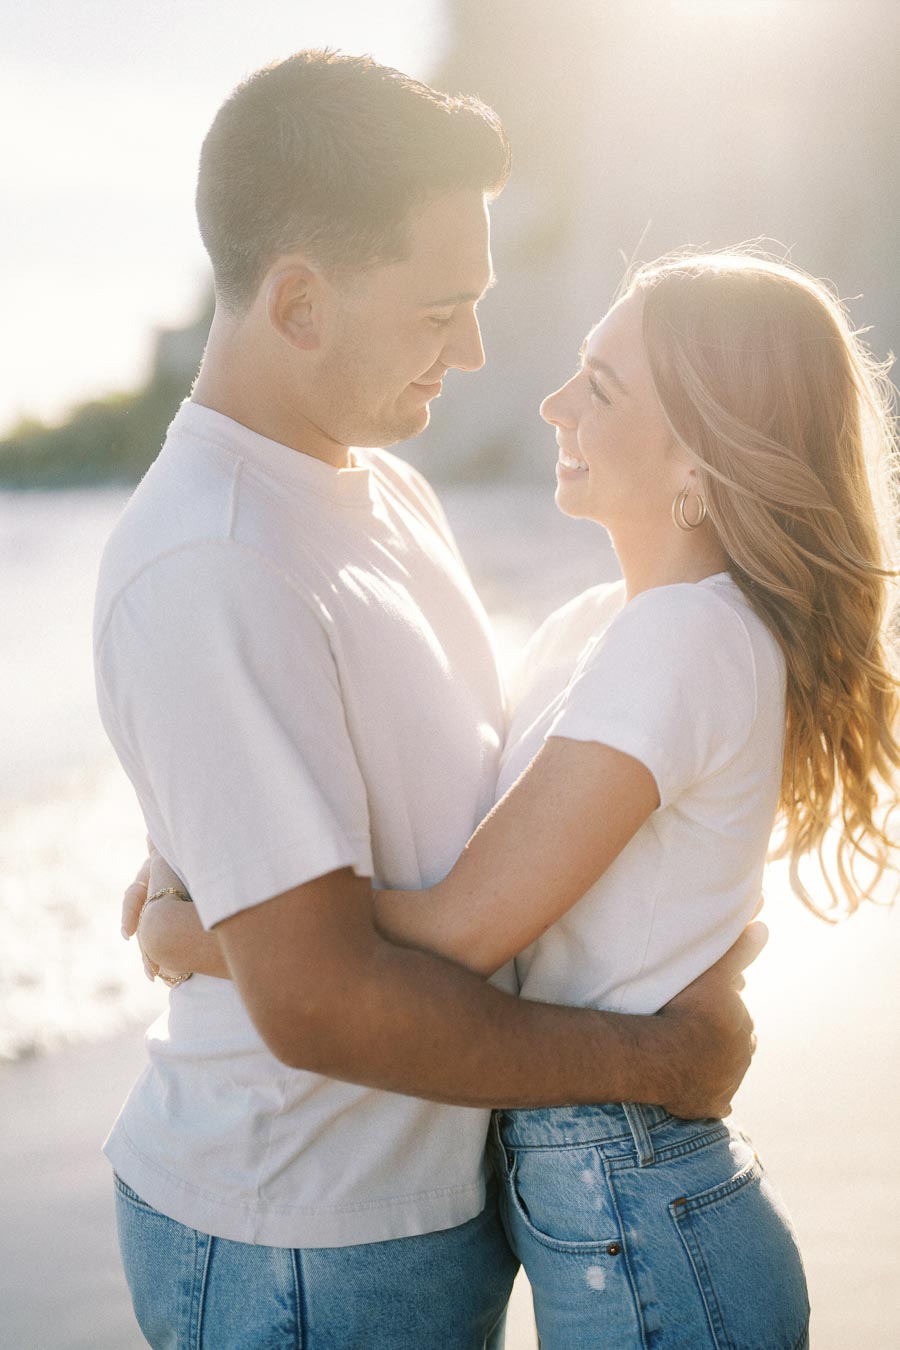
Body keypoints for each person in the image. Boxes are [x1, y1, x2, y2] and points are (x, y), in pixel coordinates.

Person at [96, 52, 760, 1350]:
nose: (474, 350)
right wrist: (657, 1063)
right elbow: (320, 1002)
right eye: (440, 309)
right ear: (297, 305)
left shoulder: (374, 485)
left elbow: (442, 785)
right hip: (296, 1239)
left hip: (415, 1200)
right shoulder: (208, 563)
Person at [140, 249, 900, 1348]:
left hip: (639, 1206)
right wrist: (226, 820)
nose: (552, 403)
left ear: (702, 468)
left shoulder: (687, 639)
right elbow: (442, 817)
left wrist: (207, 925)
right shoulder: (597, 628)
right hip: (601, 1207)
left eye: (599, 387)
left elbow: (461, 924)